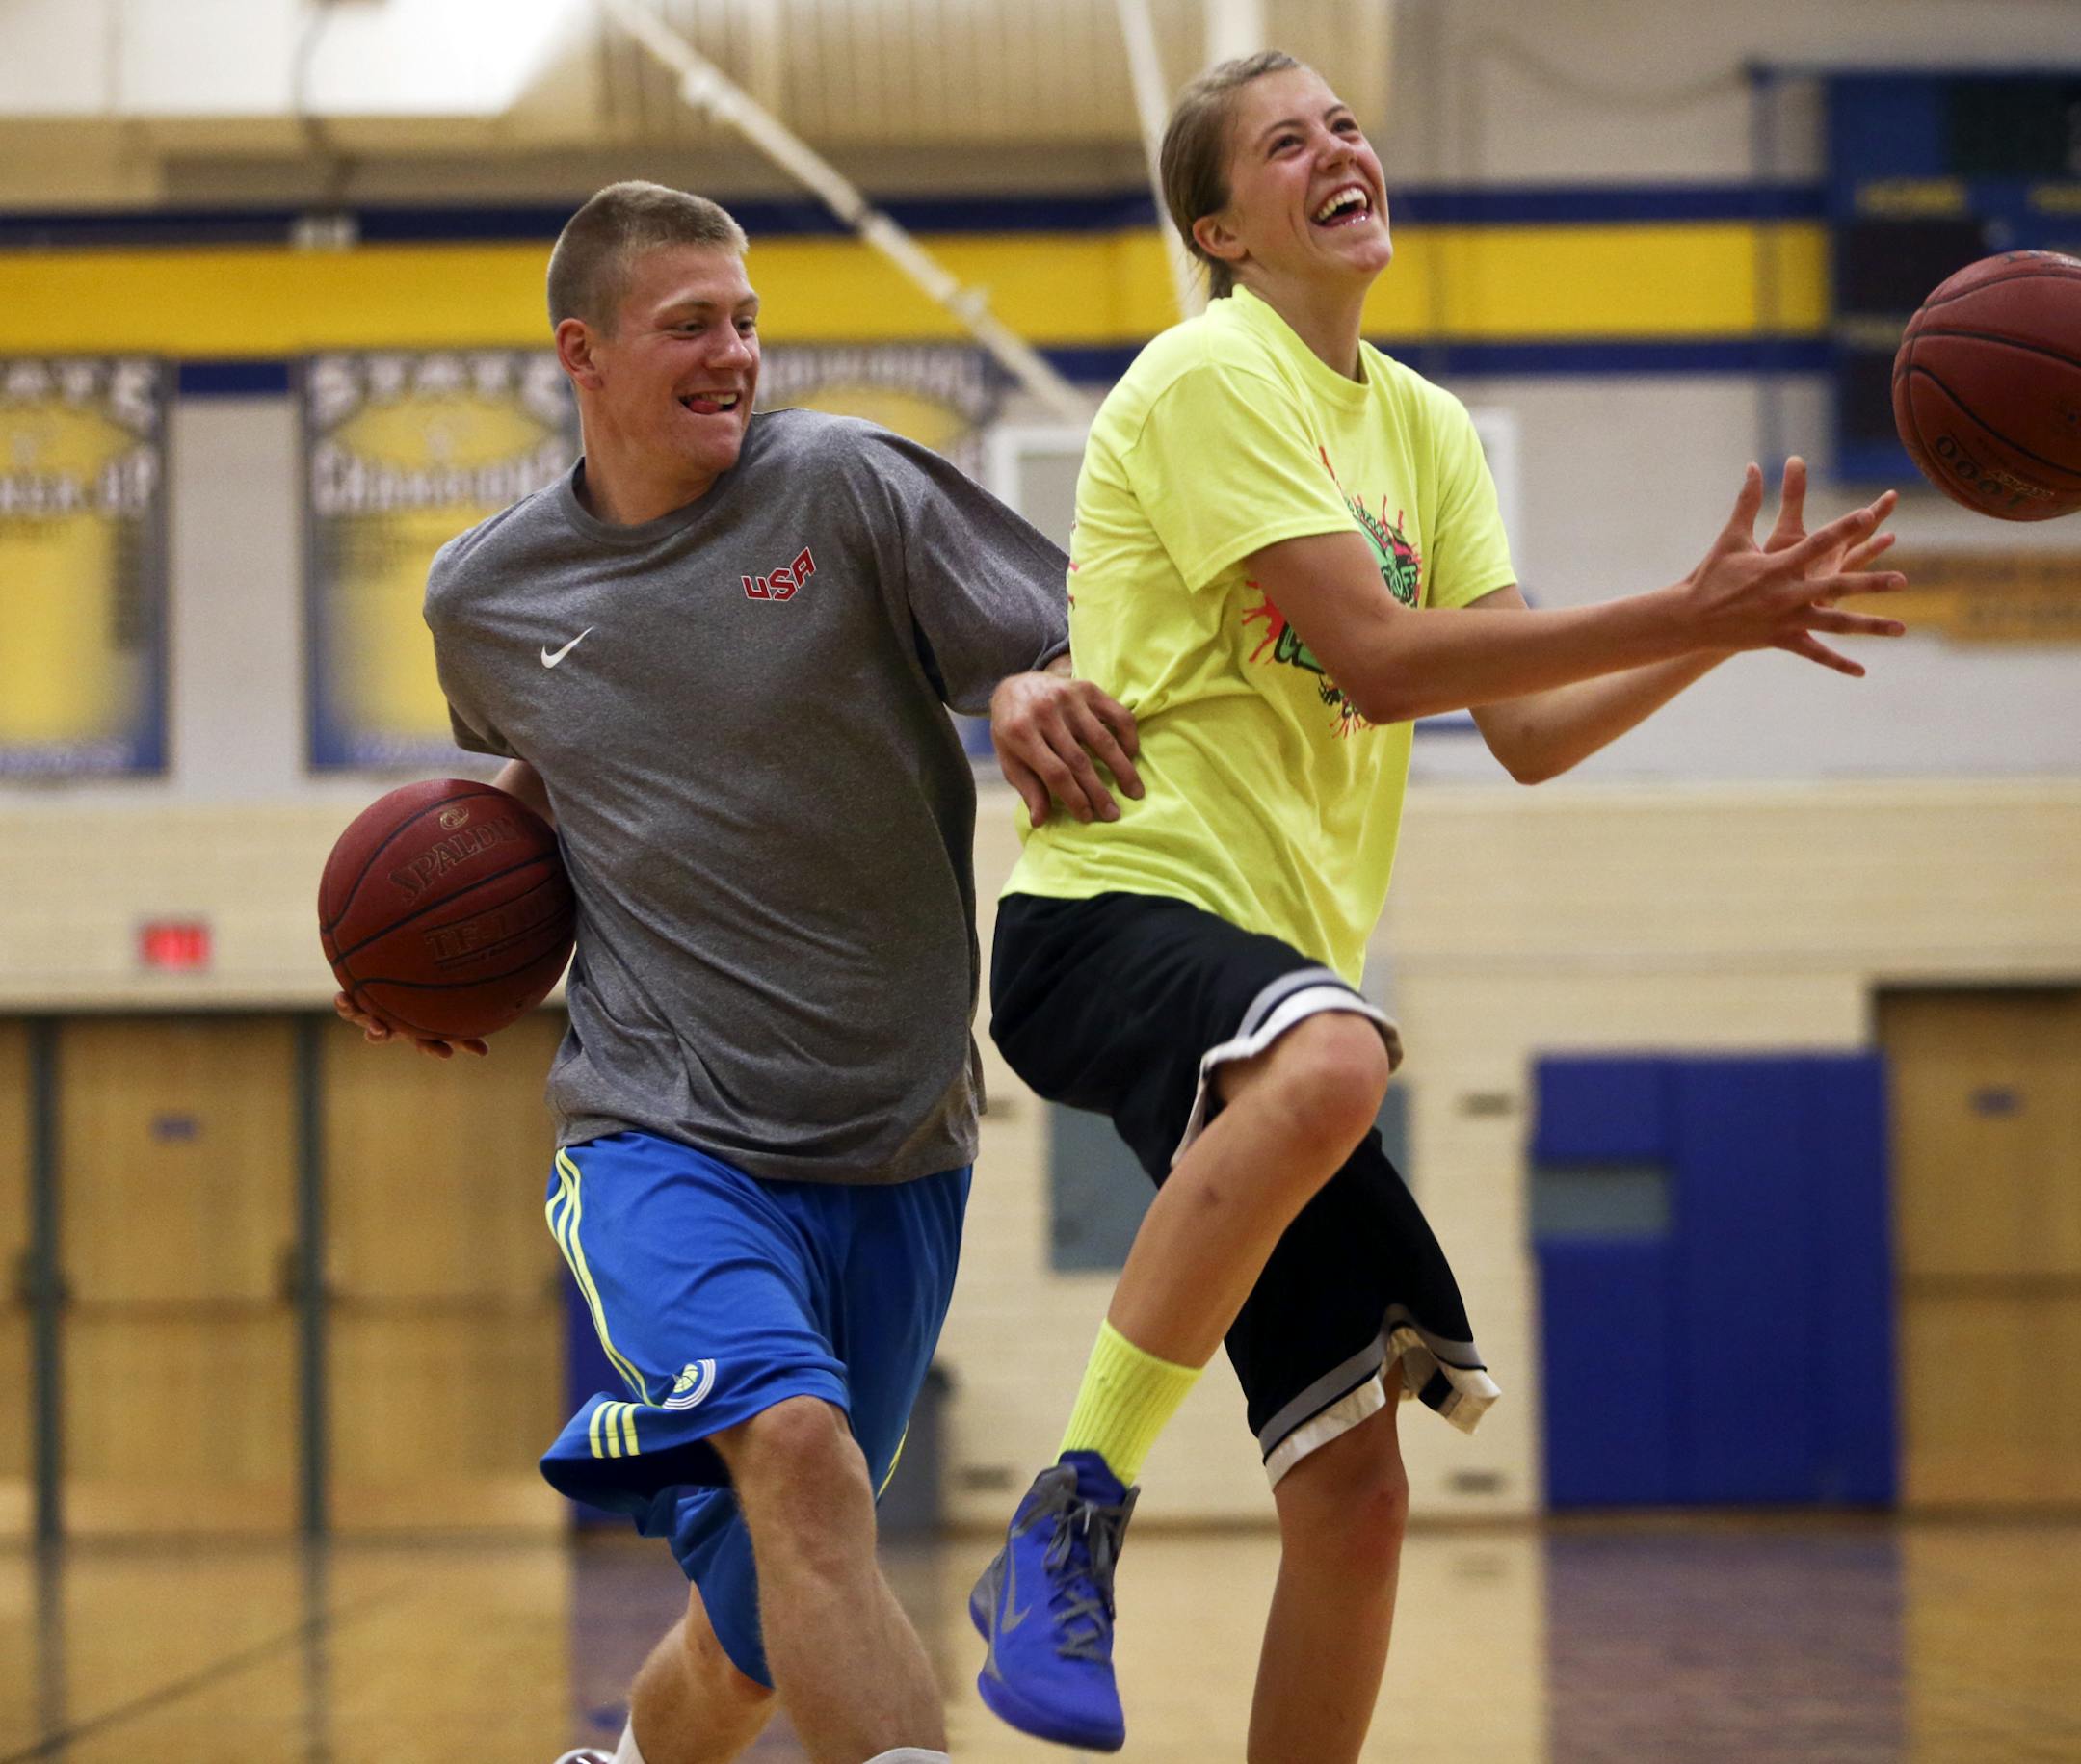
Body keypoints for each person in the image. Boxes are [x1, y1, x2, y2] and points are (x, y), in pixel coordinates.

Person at [969, 51, 1906, 1760]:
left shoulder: (1423, 431)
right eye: (1284, 141)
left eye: (1343, 124)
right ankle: (1075, 1501)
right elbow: (1386, 663)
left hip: (1268, 984)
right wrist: (1673, 600)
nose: (1337, 148)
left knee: (1357, 1496)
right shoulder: (1207, 376)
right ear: (1221, 230)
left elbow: (1531, 734)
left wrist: (1718, 629)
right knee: (1335, 1061)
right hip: (1111, 912)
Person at [335, 179, 1143, 1764]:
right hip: (663, 1128)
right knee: (801, 1456)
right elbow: (538, 792)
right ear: (584, 351)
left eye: (748, 322)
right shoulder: (484, 598)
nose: (735, 356)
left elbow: (1065, 634)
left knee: (764, 1630)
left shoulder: (844, 488)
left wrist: (1045, 683)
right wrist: (435, 964)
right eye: (690, 325)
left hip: (899, 1135)